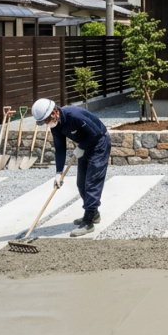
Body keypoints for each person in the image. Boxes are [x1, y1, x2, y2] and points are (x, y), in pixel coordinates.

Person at [32, 97, 111, 237]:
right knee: (81, 184)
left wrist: (81, 147)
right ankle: (93, 213)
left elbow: (97, 133)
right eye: (43, 122)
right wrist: (58, 173)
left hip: (99, 143)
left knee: (92, 183)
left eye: (46, 120)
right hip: (85, 146)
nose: (46, 124)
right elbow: (60, 149)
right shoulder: (56, 125)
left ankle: (88, 222)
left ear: (54, 112)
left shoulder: (74, 116)